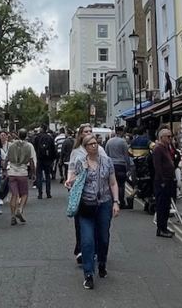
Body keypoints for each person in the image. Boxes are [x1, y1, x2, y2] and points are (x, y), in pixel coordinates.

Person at [66, 133, 120, 290]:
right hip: (86, 205)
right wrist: (70, 182)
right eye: (90, 144)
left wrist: (116, 202)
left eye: (95, 143)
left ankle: (102, 263)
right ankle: (88, 274)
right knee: (87, 241)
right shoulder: (80, 163)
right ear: (85, 147)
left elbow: (113, 182)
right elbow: (75, 181)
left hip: (104, 204)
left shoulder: (107, 161)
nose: (94, 146)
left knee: (103, 237)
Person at [68, 124, 94, 262]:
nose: (89, 133)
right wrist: (69, 181)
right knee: (80, 222)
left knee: (94, 223)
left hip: (95, 191)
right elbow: (71, 169)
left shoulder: (98, 150)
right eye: (86, 131)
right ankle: (80, 250)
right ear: (80, 134)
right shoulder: (76, 151)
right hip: (79, 190)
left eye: (90, 131)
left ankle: (92, 248)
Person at [6, 128, 36, 225]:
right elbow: (31, 160)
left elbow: (6, 159)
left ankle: (12, 215)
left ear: (18, 135)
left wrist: (3, 170)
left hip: (12, 172)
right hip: (23, 172)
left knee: (14, 194)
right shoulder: (29, 146)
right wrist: (33, 172)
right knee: (24, 194)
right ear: (26, 135)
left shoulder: (11, 145)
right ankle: (20, 209)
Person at [153, 127, 177, 238]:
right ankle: (161, 229)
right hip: (163, 182)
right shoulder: (158, 149)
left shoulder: (166, 148)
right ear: (161, 137)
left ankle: (164, 227)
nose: (170, 138)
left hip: (169, 180)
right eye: (168, 136)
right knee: (162, 206)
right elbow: (157, 166)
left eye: (171, 136)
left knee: (166, 207)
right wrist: (162, 181)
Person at [105, 125, 134, 209]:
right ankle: (121, 202)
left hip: (111, 165)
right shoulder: (123, 142)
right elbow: (126, 155)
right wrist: (128, 167)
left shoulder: (109, 142)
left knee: (112, 184)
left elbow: (106, 154)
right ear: (121, 132)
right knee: (121, 185)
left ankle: (112, 200)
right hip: (121, 165)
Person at [33, 126, 56, 198]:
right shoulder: (50, 138)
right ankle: (48, 193)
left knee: (39, 176)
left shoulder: (37, 137)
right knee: (47, 176)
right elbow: (53, 149)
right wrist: (52, 159)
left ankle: (40, 193)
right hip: (48, 159)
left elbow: (35, 148)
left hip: (39, 159)